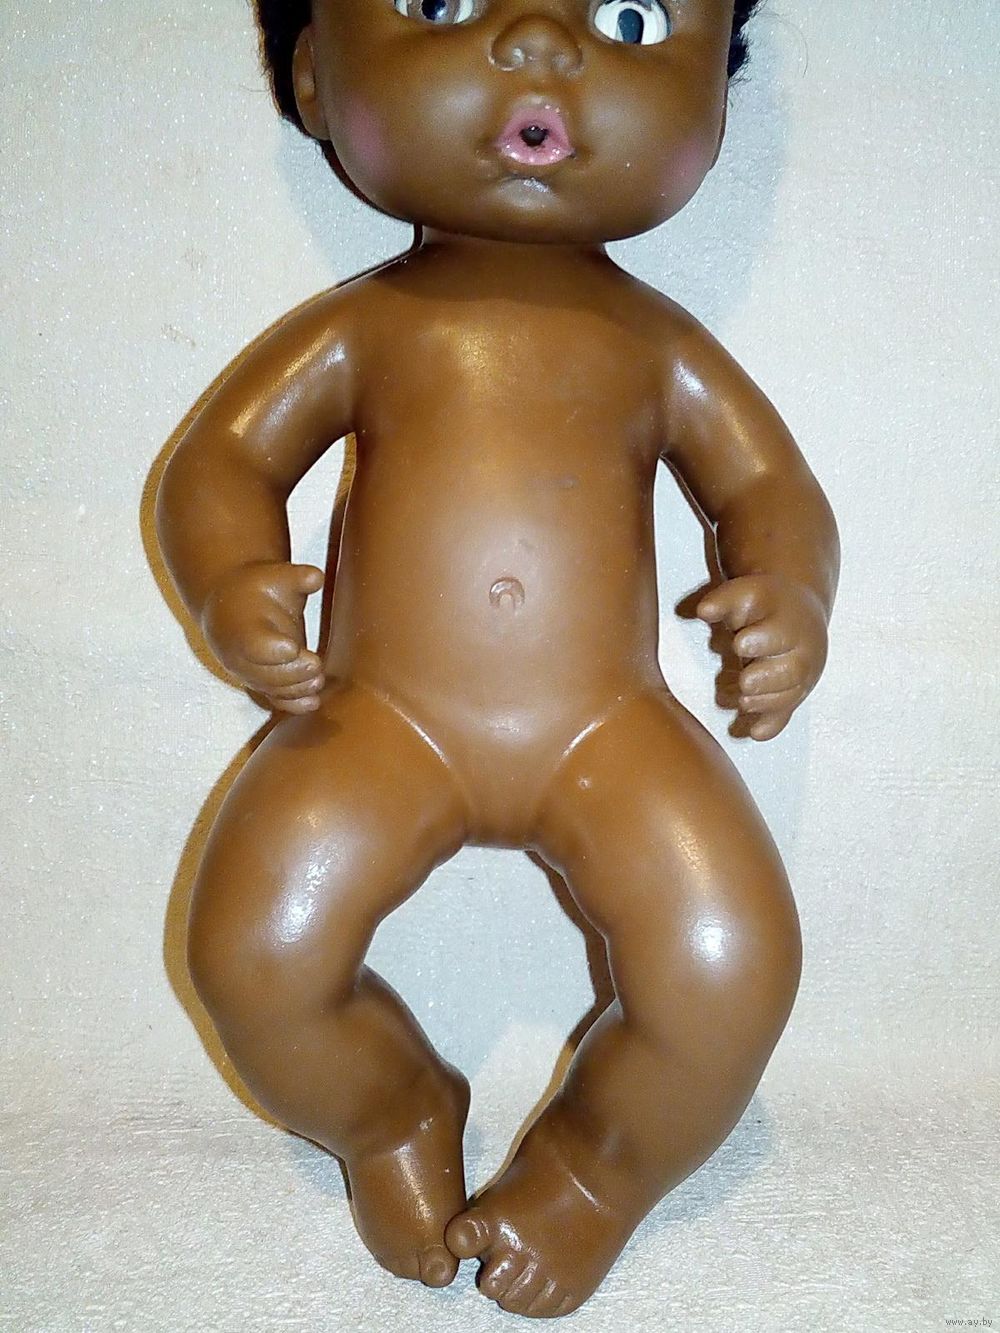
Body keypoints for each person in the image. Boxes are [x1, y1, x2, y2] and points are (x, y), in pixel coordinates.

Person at [156, 0, 838, 1316]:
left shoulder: (656, 344)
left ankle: (592, 1173)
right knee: (254, 953)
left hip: (608, 732)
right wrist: (231, 582)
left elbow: (772, 490)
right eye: (442, 3)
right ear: (314, 72)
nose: (539, 41)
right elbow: (225, 461)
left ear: (717, 97)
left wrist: (791, 592)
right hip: (377, 720)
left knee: (729, 963)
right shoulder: (369, 326)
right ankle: (387, 1108)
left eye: (632, 14)